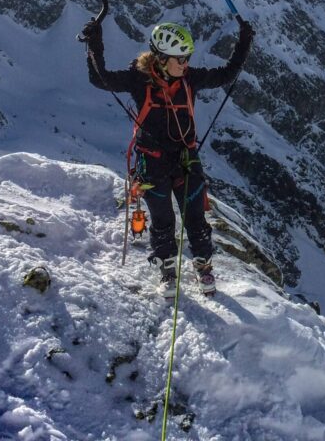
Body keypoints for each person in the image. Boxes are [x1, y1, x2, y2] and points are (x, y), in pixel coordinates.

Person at [83, 15, 254, 296]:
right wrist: (94, 41)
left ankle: (204, 268)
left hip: (185, 159)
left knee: (196, 218)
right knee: (163, 220)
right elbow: (99, 78)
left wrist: (244, 41)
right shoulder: (138, 80)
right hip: (153, 162)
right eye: (181, 59)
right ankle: (167, 271)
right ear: (162, 58)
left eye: (187, 58)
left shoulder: (189, 78)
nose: (186, 64)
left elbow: (226, 74)